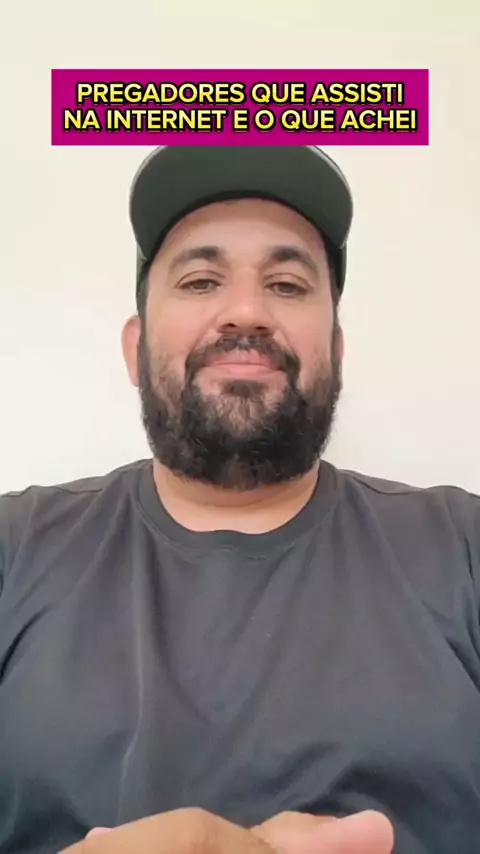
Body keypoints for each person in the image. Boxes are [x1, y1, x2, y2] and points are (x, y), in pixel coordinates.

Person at [0, 145, 478, 854]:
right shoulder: (14, 548)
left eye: (286, 284)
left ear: (337, 350)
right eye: (201, 281)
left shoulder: (465, 547)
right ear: (135, 349)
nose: (247, 312)